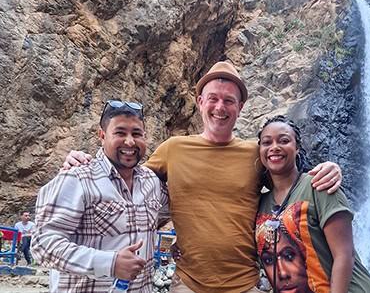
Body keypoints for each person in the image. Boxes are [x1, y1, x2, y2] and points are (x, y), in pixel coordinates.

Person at [63, 61, 343, 293]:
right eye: (213, 99)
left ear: (240, 107)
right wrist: (86, 161)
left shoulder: (256, 153)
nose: (220, 107)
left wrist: (329, 168)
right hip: (188, 283)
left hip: (245, 284)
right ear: (200, 102)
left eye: (229, 101)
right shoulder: (173, 148)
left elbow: (290, 186)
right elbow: (124, 178)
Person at [31, 100, 170, 292]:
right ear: (102, 136)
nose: (130, 141)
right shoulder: (77, 178)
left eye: (136, 134)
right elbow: (43, 244)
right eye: (120, 133)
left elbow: (179, 207)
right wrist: (109, 263)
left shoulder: (152, 182)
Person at [255, 115, 370, 293]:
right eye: (267, 142)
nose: (275, 147)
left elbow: (344, 254)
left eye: (283, 140)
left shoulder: (320, 185)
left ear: (297, 147)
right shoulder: (261, 203)